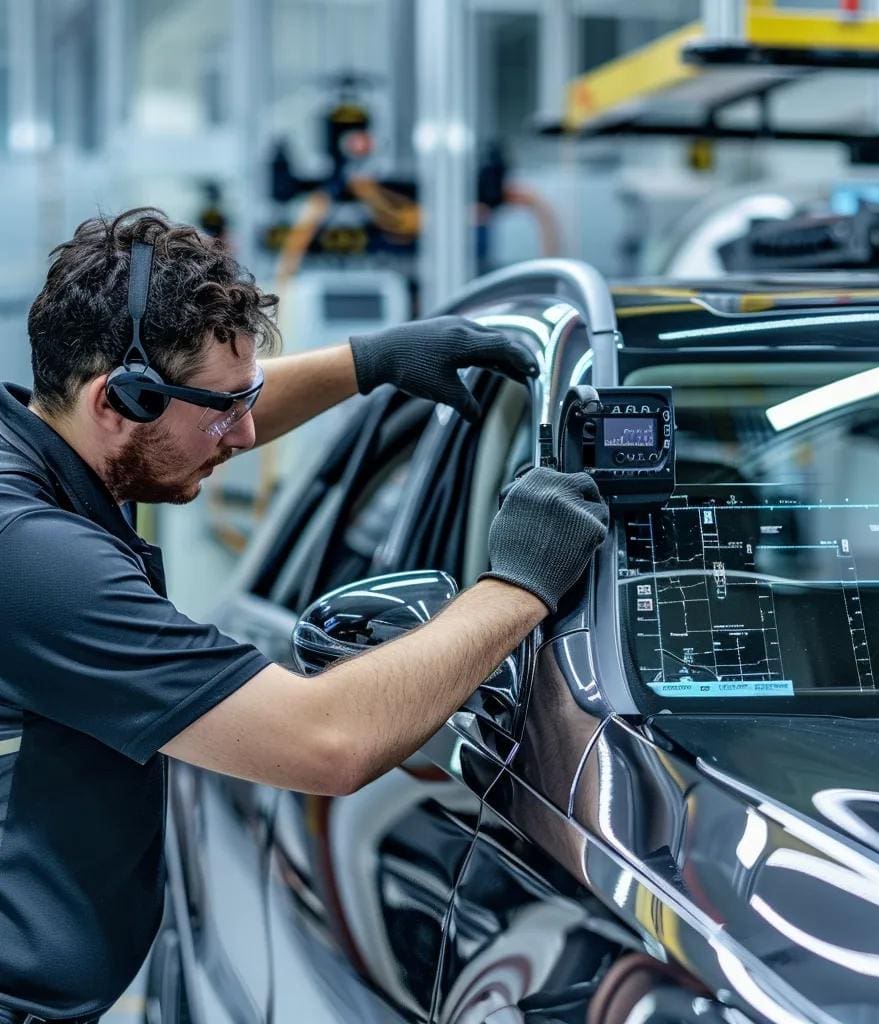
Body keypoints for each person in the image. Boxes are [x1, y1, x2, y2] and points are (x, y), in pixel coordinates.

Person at [0, 209, 608, 1023]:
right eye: (227, 409)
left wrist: (372, 362)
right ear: (119, 401)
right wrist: (519, 584)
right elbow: (325, 742)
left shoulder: (50, 442)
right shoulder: (35, 556)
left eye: (249, 397)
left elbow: (194, 421)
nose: (246, 434)